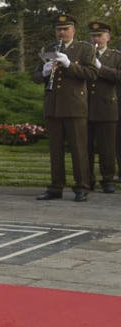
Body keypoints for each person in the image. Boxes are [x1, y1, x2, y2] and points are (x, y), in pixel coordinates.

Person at [33, 14, 97, 202]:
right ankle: (55, 187)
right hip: (53, 106)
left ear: (73, 31)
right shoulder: (49, 49)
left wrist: (69, 65)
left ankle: (81, 187)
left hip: (75, 106)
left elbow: (92, 74)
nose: (61, 33)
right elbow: (35, 76)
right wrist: (44, 72)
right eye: (58, 30)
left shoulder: (85, 49)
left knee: (78, 149)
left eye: (65, 29)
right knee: (55, 150)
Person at [86, 21, 121, 193]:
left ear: (108, 37)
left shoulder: (116, 56)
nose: (96, 39)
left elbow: (118, 77)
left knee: (107, 147)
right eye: (93, 36)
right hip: (85, 107)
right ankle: (87, 179)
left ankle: (107, 179)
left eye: (99, 35)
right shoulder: (84, 55)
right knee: (85, 148)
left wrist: (101, 67)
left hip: (107, 107)